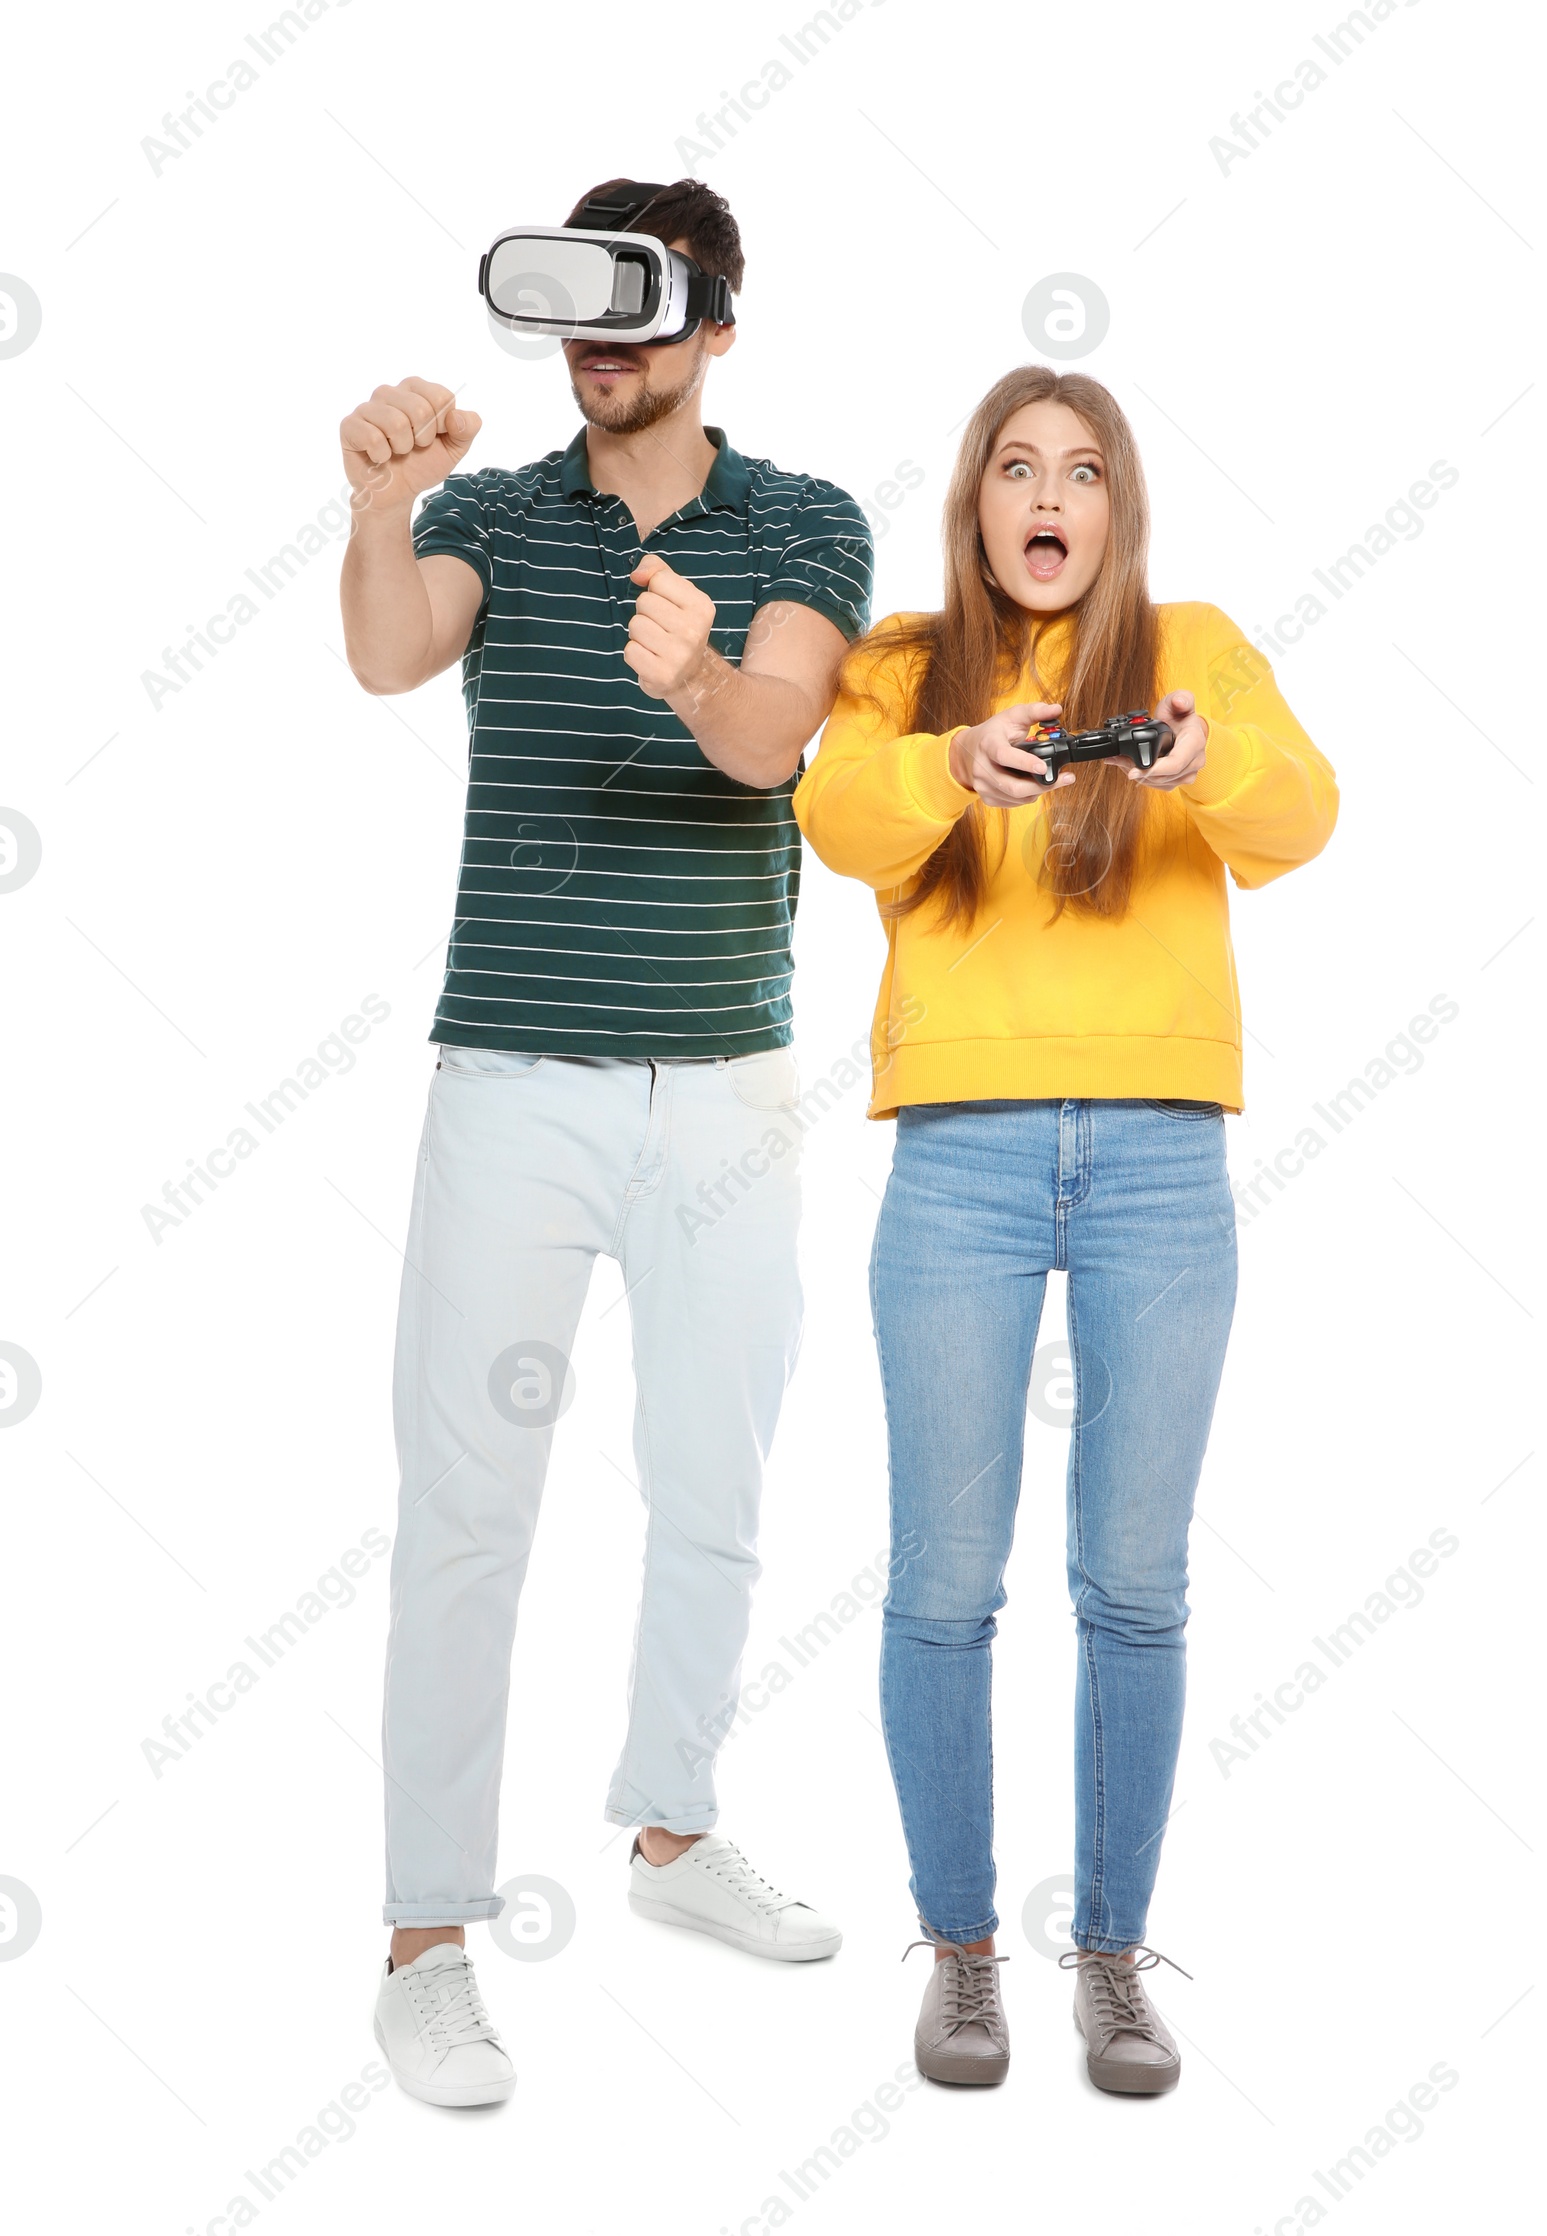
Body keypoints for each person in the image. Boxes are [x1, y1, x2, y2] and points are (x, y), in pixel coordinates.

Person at [339, 178, 873, 2107]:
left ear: (717, 323)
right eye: (574, 309)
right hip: (515, 1083)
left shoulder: (805, 519)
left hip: (725, 1088)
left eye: (642, 312)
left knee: (712, 1483)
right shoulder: (492, 510)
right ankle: (425, 1935)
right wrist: (381, 501)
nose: (604, 344)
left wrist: (697, 671)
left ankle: (669, 1835)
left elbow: (768, 746)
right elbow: (394, 657)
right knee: (468, 1509)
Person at [794, 366, 1337, 2093]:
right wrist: (954, 763)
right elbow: (830, 820)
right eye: (1018, 469)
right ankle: (961, 1956)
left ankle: (1110, 1957)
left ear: (1118, 508)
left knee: (1138, 1585)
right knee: (946, 1584)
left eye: (1082, 471)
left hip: (1164, 1154)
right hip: (956, 1152)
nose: (1050, 495)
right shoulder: (899, 665)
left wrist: (1205, 753)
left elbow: (1303, 819)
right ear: (978, 503)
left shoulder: (1193, 645)